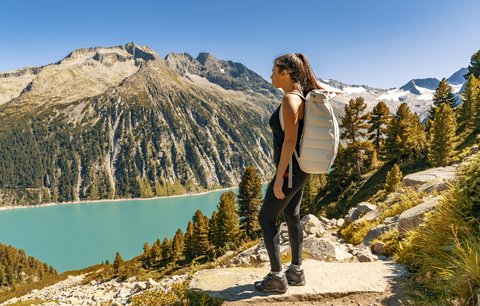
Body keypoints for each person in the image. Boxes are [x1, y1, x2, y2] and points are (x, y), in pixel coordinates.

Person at [254, 53, 323, 293]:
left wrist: (279, 177)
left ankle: (277, 278)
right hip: (299, 171)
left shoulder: (290, 101)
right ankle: (296, 271)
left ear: (285, 73)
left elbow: (290, 141)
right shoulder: (299, 98)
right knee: (292, 216)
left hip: (290, 172)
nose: (270, 75)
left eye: (274, 70)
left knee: (266, 218)